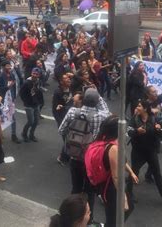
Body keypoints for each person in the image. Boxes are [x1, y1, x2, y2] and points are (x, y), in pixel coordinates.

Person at [58, 88, 110, 224]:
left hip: (75, 158)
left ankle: (72, 217)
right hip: (90, 160)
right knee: (89, 192)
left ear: (83, 99)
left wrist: (73, 139)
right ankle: (88, 220)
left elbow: (61, 130)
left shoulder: (72, 111)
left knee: (75, 188)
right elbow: (106, 109)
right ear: (97, 100)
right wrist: (99, 97)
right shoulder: (100, 116)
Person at [127, 100, 162, 210]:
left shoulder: (154, 118)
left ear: (145, 108)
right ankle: (128, 194)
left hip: (151, 151)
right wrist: (136, 131)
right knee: (134, 172)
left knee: (157, 174)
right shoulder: (134, 118)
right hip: (138, 151)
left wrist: (159, 129)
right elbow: (129, 132)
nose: (137, 107)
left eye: (139, 106)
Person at [0, 60, 20, 144]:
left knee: (13, 117)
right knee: (1, 118)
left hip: (10, 99)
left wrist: (14, 97)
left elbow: (14, 87)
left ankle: (13, 135)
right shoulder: (0, 77)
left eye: (10, 65)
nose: (9, 67)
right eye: (7, 66)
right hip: (3, 101)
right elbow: (0, 90)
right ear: (3, 67)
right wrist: (8, 86)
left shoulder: (12, 74)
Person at [20, 67, 44, 142]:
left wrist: (40, 101)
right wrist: (26, 101)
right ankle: (24, 134)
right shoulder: (26, 83)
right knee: (31, 121)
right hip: (28, 105)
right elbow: (21, 93)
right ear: (31, 73)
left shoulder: (38, 81)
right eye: (33, 73)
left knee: (36, 121)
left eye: (36, 74)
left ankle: (31, 135)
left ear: (39, 75)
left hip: (36, 104)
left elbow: (39, 91)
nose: (35, 75)